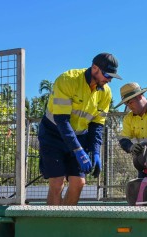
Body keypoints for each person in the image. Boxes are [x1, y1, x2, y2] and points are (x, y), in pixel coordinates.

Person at [38, 52, 122, 205]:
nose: (109, 80)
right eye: (107, 75)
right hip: (53, 134)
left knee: (79, 182)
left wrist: (95, 151)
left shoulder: (106, 93)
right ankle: (52, 224)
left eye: (112, 77)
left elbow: (97, 125)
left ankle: (66, 222)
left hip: (79, 136)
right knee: (57, 182)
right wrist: (78, 150)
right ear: (94, 68)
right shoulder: (68, 80)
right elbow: (61, 120)